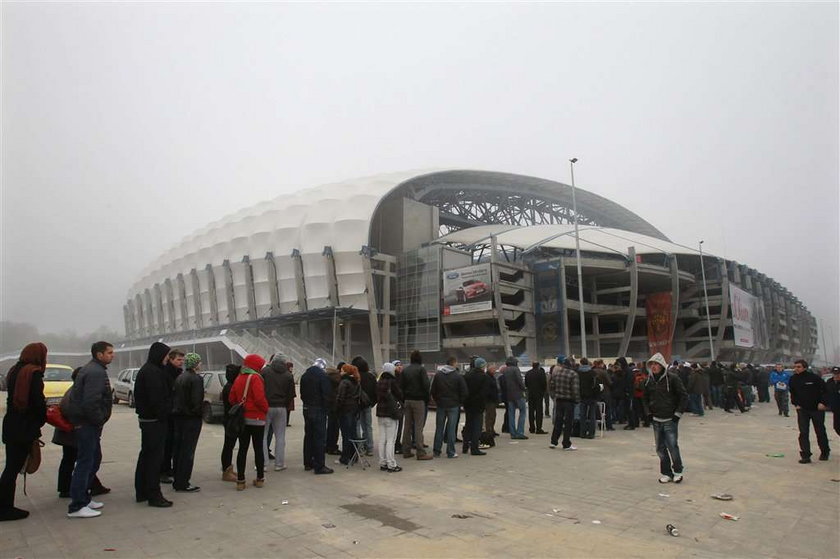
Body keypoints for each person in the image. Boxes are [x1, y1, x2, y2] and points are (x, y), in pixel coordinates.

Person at [0, 342, 48, 522]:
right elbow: (37, 402)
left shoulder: (14, 371)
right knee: (13, 467)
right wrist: (41, 420)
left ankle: (5, 505)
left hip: (12, 424)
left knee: (11, 467)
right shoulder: (33, 373)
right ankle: (4, 508)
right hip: (24, 427)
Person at [53, 368, 110, 500]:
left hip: (70, 433)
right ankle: (79, 489)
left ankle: (71, 487)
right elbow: (73, 410)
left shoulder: (74, 391)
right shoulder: (76, 393)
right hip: (73, 433)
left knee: (75, 460)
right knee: (85, 460)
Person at [133, 341, 173, 508]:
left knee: (146, 456)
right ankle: (153, 494)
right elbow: (157, 400)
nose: (167, 359)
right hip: (154, 421)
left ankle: (142, 491)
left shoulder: (151, 370)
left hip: (149, 420)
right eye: (166, 356)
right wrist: (165, 414)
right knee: (154, 459)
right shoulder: (152, 373)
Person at [642, 352, 688, 483]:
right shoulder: (648, 381)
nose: (654, 367)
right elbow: (644, 398)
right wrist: (648, 413)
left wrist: (677, 414)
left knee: (672, 446)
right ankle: (666, 472)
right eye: (652, 364)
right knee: (660, 448)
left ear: (662, 365)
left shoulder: (672, 378)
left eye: (657, 364)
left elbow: (683, 396)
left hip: (670, 419)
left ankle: (678, 471)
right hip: (656, 420)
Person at [229, 354, 269, 489]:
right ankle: (259, 479)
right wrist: (265, 409)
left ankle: (240, 480)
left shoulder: (239, 377)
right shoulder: (256, 378)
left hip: (242, 419)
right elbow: (259, 398)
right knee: (258, 449)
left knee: (242, 449)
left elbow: (232, 398)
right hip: (257, 418)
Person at [171, 352, 203, 493]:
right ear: (195, 364)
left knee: (178, 449)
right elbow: (196, 401)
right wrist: (197, 413)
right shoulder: (196, 379)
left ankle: (178, 479)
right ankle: (184, 481)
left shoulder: (180, 377)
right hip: (191, 419)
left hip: (179, 417)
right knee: (188, 451)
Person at [788, 359, 829, 463]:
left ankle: (825, 451)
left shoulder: (814, 378)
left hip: (816, 409)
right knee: (803, 432)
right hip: (802, 410)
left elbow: (825, 391)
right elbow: (793, 393)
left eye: (799, 367)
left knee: (820, 431)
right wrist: (796, 404)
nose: (796, 369)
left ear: (804, 368)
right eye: (795, 367)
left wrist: (823, 403)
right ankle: (805, 455)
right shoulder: (793, 379)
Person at [261, 353, 295, 472]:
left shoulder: (265, 372)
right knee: (280, 436)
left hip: (266, 406)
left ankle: (263, 464)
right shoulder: (288, 375)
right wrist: (284, 403)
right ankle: (279, 464)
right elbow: (291, 394)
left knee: (263, 436)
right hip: (281, 407)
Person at [299, 358, 333, 474]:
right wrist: (326, 408)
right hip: (318, 409)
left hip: (307, 408)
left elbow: (302, 395)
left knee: (308, 436)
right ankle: (319, 465)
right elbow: (326, 394)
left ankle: (308, 462)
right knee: (319, 437)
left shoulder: (304, 376)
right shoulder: (323, 377)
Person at [432, 356, 468, 458]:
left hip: (441, 405)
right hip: (453, 405)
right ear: (454, 363)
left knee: (439, 428)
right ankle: (451, 452)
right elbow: (464, 392)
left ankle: (436, 451)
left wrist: (438, 400)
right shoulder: (457, 376)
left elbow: (433, 390)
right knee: (451, 429)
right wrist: (459, 402)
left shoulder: (438, 375)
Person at [399, 350, 432, 460]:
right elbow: (426, 385)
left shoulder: (405, 370)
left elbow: (401, 386)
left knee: (407, 426)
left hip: (407, 400)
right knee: (418, 427)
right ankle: (420, 452)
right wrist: (426, 398)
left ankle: (406, 450)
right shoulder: (421, 369)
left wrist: (404, 398)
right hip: (418, 401)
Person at [160, 348, 185, 483]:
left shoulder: (179, 373)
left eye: (182, 360)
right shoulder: (166, 373)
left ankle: (169, 468)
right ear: (171, 359)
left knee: (173, 443)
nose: (181, 362)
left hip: (176, 413)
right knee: (167, 443)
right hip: (169, 413)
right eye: (178, 360)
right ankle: (163, 470)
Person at [376, 363, 404, 472]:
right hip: (391, 414)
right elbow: (400, 395)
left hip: (380, 413)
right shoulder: (392, 382)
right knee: (390, 441)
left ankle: (382, 462)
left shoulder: (379, 382)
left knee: (382, 439)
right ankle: (391, 463)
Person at [549, 355, 579, 451]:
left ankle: (553, 442)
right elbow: (575, 389)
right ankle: (566, 443)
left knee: (558, 421)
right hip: (569, 401)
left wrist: (555, 395)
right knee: (568, 423)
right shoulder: (573, 374)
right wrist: (577, 400)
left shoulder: (557, 373)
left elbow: (552, 385)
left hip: (559, 400)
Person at [335, 364, 362, 466]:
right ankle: (353, 456)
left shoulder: (344, 382)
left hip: (345, 410)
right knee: (353, 433)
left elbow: (340, 398)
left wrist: (336, 409)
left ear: (346, 372)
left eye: (342, 370)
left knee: (346, 435)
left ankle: (345, 457)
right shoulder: (356, 382)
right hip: (354, 410)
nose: (340, 372)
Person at [463, 357, 489, 455]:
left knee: (468, 425)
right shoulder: (484, 377)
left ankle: (465, 446)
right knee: (477, 427)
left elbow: (464, 390)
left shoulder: (467, 376)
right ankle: (474, 448)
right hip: (478, 405)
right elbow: (484, 392)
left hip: (468, 404)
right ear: (482, 366)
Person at [352, 356, 377, 457]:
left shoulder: (355, 377)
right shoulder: (371, 377)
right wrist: (372, 403)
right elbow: (376, 392)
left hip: (357, 405)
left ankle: (359, 448)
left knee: (357, 426)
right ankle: (370, 448)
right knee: (368, 426)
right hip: (367, 405)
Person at [220, 364, 240, 482]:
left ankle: (228, 469)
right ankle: (226, 470)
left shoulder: (228, 385)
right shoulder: (231, 387)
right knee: (229, 445)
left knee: (229, 445)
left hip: (228, 419)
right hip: (231, 419)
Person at [502, 357, 527, 439]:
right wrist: (524, 388)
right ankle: (520, 432)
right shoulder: (516, 369)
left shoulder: (505, 370)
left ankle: (513, 433)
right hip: (518, 394)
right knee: (522, 412)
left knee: (511, 414)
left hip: (509, 395)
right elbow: (520, 381)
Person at [578, 358, 600, 439]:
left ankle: (582, 433)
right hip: (592, 397)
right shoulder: (592, 373)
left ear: (581, 363)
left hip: (582, 396)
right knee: (592, 416)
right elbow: (597, 385)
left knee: (582, 415)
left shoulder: (578, 373)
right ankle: (591, 433)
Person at [325, 362, 343, 456]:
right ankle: (332, 447)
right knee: (335, 428)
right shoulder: (337, 379)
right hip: (335, 406)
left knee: (330, 427)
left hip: (328, 405)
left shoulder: (326, 378)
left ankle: (327, 446)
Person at [525, 361, 548, 434]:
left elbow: (526, 384)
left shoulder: (528, 373)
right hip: (539, 393)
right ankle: (539, 428)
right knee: (539, 411)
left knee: (531, 411)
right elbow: (544, 383)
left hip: (530, 393)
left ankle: (532, 428)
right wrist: (543, 391)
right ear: (538, 366)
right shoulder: (541, 373)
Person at [484, 365, 500, 439]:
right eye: (494, 369)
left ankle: (492, 430)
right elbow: (488, 389)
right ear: (490, 369)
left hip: (493, 399)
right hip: (489, 400)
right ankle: (489, 431)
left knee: (493, 416)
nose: (495, 371)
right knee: (489, 416)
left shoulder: (491, 377)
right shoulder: (487, 377)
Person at [825, 366, 840, 437]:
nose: (836, 375)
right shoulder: (829, 382)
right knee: (837, 427)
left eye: (838, 374)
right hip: (835, 409)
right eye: (835, 373)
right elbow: (825, 393)